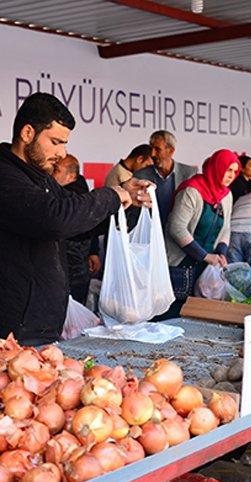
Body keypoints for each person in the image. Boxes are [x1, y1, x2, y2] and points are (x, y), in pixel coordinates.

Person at [0, 93, 150, 344]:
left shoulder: (40, 176)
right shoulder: (6, 176)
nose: (62, 153)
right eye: (56, 142)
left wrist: (126, 206)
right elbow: (54, 218)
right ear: (27, 133)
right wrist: (111, 196)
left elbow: (74, 227)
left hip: (41, 327)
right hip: (13, 333)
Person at [164, 150, 240, 317]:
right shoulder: (191, 191)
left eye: (235, 172)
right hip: (180, 264)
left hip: (205, 266)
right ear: (216, 168)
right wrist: (205, 256)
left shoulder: (226, 195)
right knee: (174, 315)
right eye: (228, 170)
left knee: (199, 315)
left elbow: (226, 227)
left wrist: (221, 252)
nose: (231, 176)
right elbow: (176, 228)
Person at [51, 154, 102, 304]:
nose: (51, 172)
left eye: (56, 169)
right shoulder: (51, 190)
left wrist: (93, 251)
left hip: (76, 263)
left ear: (71, 176)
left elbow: (90, 224)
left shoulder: (76, 196)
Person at [132, 130, 198, 227]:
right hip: (151, 235)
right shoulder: (140, 176)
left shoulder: (190, 174)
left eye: (157, 149)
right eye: (151, 149)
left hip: (179, 237)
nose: (152, 154)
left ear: (171, 151)